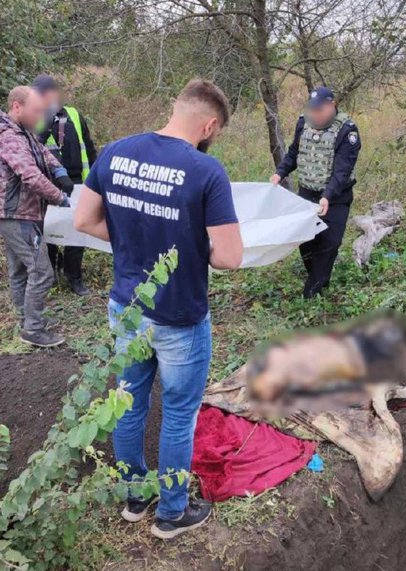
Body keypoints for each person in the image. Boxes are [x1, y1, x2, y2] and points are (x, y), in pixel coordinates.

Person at [74, 79, 243, 539]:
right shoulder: (206, 172)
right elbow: (229, 256)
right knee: (178, 414)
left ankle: (135, 497)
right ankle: (171, 513)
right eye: (216, 131)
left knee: (128, 404)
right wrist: (190, 247)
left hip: (126, 308)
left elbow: (83, 219)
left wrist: (132, 242)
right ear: (209, 124)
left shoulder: (115, 153)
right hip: (179, 318)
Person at [270, 86, 361, 298]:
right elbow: (294, 152)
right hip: (307, 194)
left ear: (332, 105)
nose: (315, 114)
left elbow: (342, 170)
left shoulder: (347, 131)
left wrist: (327, 196)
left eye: (319, 110)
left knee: (330, 243)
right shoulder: (304, 123)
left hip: (336, 198)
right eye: (313, 110)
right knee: (307, 241)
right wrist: (280, 173)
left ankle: (311, 292)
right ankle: (318, 278)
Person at [0, 86, 72, 347]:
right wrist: (59, 197)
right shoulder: (8, 136)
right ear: (17, 107)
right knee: (42, 271)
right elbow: (28, 174)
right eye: (36, 111)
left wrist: (59, 169)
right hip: (17, 214)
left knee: (20, 270)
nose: (40, 117)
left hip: (20, 212)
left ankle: (24, 321)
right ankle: (33, 329)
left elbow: (42, 153)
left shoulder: (24, 133)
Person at [33, 73, 98, 296]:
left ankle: (74, 277)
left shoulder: (73, 114)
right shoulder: (34, 116)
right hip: (48, 184)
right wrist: (47, 123)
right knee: (49, 230)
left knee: (77, 230)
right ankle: (51, 272)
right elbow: (32, 148)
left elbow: (88, 147)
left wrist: (97, 178)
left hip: (79, 182)